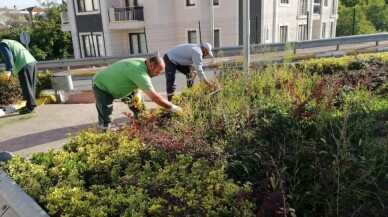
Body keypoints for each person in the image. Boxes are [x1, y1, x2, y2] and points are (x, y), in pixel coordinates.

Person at [92, 56, 182, 131]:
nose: (157, 75)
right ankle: (103, 136)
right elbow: (155, 97)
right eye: (157, 72)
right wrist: (174, 108)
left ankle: (140, 131)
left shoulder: (143, 63)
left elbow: (138, 82)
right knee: (106, 118)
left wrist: (137, 94)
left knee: (140, 110)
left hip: (121, 84)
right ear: (151, 64)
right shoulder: (140, 72)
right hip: (102, 85)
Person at [0, 39, 38, 114]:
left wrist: (8, 70)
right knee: (31, 86)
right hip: (32, 62)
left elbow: (8, 57)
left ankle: (30, 107)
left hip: (24, 64)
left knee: (26, 86)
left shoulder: (2, 44)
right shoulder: (10, 41)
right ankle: (29, 105)